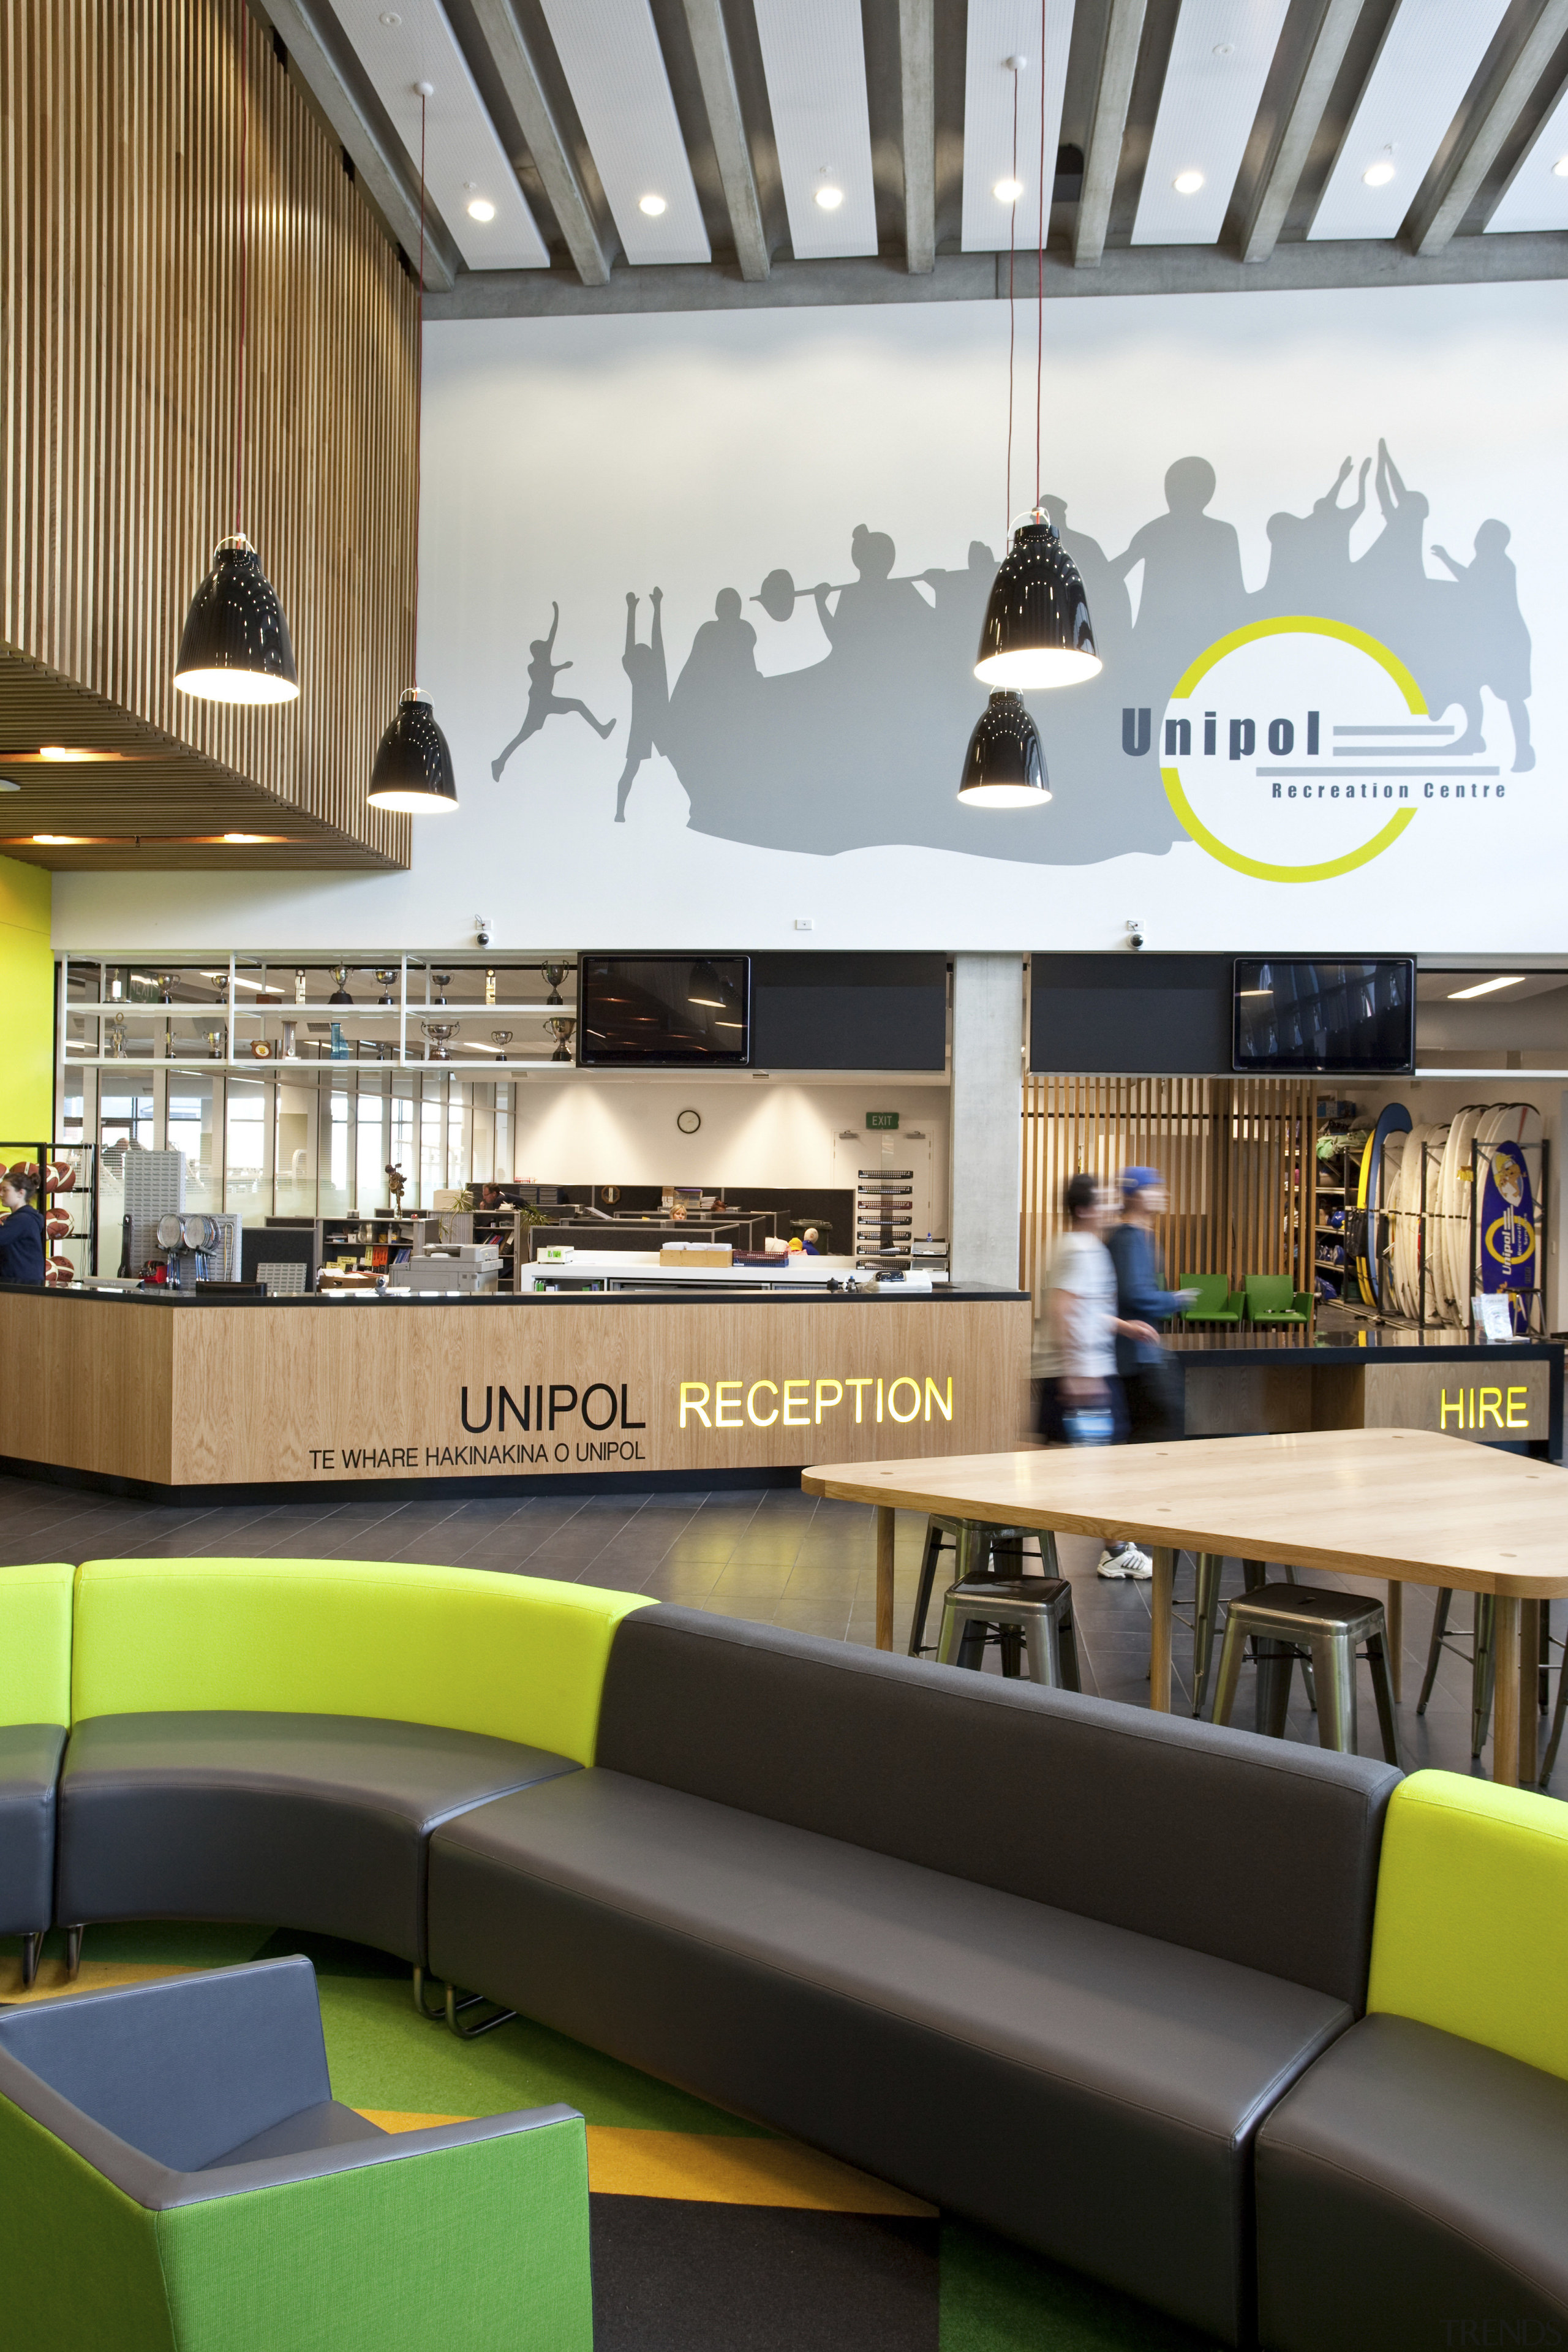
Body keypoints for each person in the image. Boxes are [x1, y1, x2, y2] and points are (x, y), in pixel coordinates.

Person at [1034, 1174, 1158, 1574]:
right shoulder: (1081, 1249)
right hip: (1082, 1377)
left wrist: (1125, 1326)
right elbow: (1063, 1308)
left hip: (1081, 1374)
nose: (1111, 1207)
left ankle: (1115, 1547)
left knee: (1088, 1464)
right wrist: (1076, 1377)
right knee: (1101, 1467)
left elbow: (1083, 1309)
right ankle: (1117, 1550)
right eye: (1103, 1201)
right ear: (1084, 1208)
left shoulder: (1080, 1246)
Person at [1107, 1168, 1196, 1466]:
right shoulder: (1129, 1238)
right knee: (1158, 1430)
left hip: (1142, 1351)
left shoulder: (1139, 1235)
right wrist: (1175, 1299)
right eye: (1155, 1188)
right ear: (1136, 1195)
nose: (1164, 1195)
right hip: (1136, 1354)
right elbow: (1135, 1293)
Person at [0, 1169, 48, 1285]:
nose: (1, 1194)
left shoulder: (23, 1220)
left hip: (22, 1286)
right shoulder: (23, 1218)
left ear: (20, 1193)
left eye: (5, 1190)